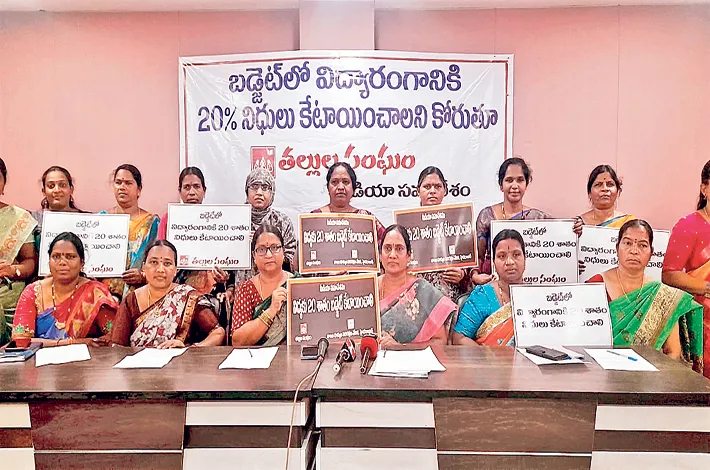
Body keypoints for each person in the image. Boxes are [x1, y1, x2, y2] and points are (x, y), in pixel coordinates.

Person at [586, 220, 702, 371]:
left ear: (651, 253)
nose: (634, 251)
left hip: (647, 378)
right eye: (627, 243)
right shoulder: (595, 285)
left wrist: (650, 376)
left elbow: (673, 352)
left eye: (642, 245)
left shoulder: (663, 296)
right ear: (617, 248)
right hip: (599, 374)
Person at [111, 240, 225, 348]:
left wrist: (190, 349)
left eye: (167, 263)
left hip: (178, 361)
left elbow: (218, 332)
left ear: (175, 270)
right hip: (137, 362)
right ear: (144, 267)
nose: (160, 269)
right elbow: (117, 346)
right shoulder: (131, 300)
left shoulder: (188, 296)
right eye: (154, 262)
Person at [11, 232, 117, 346]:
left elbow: (113, 336)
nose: (62, 262)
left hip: (85, 356)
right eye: (56, 257)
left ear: (82, 262)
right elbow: (21, 341)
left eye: (70, 257)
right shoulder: (33, 292)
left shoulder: (95, 293)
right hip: (39, 356)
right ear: (49, 262)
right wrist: (73, 342)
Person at [663, 159, 710, 378]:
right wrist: (706, 288)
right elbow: (669, 275)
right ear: (704, 189)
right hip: (703, 322)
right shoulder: (689, 226)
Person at [378, 224, 455, 347]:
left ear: (409, 255)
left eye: (399, 249)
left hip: (412, 358)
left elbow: (440, 341)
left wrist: (401, 348)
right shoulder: (368, 288)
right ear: (380, 255)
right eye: (387, 248)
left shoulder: (422, 291)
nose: (392, 255)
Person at [453, 229, 527, 346]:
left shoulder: (536, 296)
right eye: (502, 256)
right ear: (494, 262)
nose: (509, 262)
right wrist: (488, 355)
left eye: (516, 255)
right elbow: (459, 338)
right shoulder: (482, 296)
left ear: (525, 258)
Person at [476, 158, 549, 274]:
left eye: (520, 180)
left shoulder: (538, 218)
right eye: (509, 180)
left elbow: (558, 248)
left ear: (526, 184)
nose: (515, 186)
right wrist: (475, 275)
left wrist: (575, 230)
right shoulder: (487, 216)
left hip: (530, 281)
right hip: (493, 281)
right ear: (501, 185)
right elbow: (478, 258)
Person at [231, 225, 298, 347]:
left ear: (283, 252)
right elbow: (237, 341)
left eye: (275, 247)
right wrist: (271, 310)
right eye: (261, 249)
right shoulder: (246, 290)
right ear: (254, 256)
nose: (268, 255)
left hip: (296, 355)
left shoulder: (298, 284)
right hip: (257, 357)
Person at [101, 164, 160, 301]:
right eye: (118, 182)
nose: (122, 187)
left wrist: (143, 275)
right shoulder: (101, 220)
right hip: (104, 295)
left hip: (139, 295)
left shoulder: (151, 223)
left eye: (128, 183)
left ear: (139, 189)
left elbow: (158, 260)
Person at [232, 168, 298, 288]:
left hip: (276, 291)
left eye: (265, 187)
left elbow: (290, 261)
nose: (259, 192)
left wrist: (267, 245)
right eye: (254, 186)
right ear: (247, 191)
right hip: (241, 292)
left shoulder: (282, 222)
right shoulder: (235, 221)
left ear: (272, 193)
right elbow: (228, 260)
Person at [414, 166, 471, 301]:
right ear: (418, 191)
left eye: (438, 186)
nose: (432, 191)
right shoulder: (408, 223)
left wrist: (462, 274)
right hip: (417, 297)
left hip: (450, 298)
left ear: (445, 190)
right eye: (427, 187)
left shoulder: (458, 222)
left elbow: (469, 259)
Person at [0, 158, 38, 344]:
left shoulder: (20, 218)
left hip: (9, 299)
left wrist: (12, 270)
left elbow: (30, 261)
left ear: (4, 182)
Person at [312, 162, 386, 241]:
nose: (340, 187)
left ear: (353, 188)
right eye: (334, 182)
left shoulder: (366, 219)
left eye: (345, 182)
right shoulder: (314, 218)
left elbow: (388, 243)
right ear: (328, 188)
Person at [31, 166, 86, 253]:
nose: (57, 190)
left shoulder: (87, 220)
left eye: (62, 185)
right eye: (51, 186)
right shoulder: (33, 220)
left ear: (71, 189)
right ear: (44, 191)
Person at [576, 165, 635, 231]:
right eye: (598, 185)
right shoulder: (578, 224)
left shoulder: (628, 223)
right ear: (589, 193)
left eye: (610, 184)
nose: (605, 188)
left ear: (618, 191)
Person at [157, 166, 208, 239]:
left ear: (204, 190)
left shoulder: (215, 220)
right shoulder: (168, 220)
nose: (192, 192)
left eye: (196, 186)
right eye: (187, 187)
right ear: (180, 191)